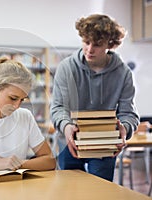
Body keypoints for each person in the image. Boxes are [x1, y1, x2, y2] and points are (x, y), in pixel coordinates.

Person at [50, 14, 140, 181]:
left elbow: (129, 114)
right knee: (69, 191)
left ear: (110, 44)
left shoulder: (123, 73)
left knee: (101, 193)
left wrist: (124, 129)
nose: (90, 49)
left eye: (97, 45)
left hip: (104, 144)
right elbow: (58, 108)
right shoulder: (66, 68)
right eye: (86, 42)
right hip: (69, 141)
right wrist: (67, 127)